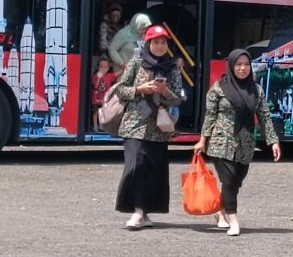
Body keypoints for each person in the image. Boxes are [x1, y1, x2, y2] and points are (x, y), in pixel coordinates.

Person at [193, 49, 282, 235]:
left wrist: (273, 141)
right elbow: (209, 117)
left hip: (245, 143)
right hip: (221, 141)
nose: (242, 68)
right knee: (229, 178)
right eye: (238, 65)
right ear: (232, 66)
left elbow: (264, 116)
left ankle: (220, 210)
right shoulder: (218, 88)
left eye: (246, 65)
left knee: (236, 182)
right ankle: (233, 220)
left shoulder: (256, 91)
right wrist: (202, 140)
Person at [114, 25, 183, 230]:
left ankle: (143, 212)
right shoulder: (137, 62)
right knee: (136, 167)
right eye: (155, 42)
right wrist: (140, 89)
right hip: (134, 124)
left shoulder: (172, 68)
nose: (160, 46)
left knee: (153, 172)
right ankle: (136, 211)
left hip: (158, 128)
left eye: (163, 42)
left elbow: (178, 100)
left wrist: (165, 92)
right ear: (148, 43)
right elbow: (120, 89)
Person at [90, 56, 117, 132]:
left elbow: (117, 74)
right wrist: (99, 78)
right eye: (101, 67)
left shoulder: (110, 76)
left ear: (109, 68)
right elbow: (95, 86)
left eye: (105, 67)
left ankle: (102, 126)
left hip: (105, 98)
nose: (103, 69)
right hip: (96, 97)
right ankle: (95, 126)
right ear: (98, 67)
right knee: (95, 112)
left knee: (103, 112)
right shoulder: (95, 76)